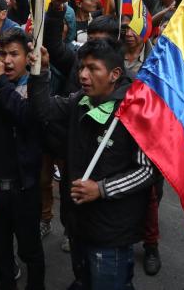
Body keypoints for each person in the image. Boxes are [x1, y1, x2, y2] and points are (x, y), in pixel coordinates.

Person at [30, 38, 158, 289]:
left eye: (92, 68)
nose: (83, 75)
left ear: (114, 74)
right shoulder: (80, 100)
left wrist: (101, 189)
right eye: (81, 68)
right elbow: (42, 110)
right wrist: (41, 72)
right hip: (79, 224)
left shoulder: (135, 110)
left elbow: (147, 170)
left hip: (111, 231)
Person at [0, 28, 46, 290]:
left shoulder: (34, 87)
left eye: (14, 54)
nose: (7, 61)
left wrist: (1, 81)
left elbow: (25, 116)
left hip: (23, 188)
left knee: (30, 251)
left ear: (28, 57)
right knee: (1, 252)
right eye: (3, 54)